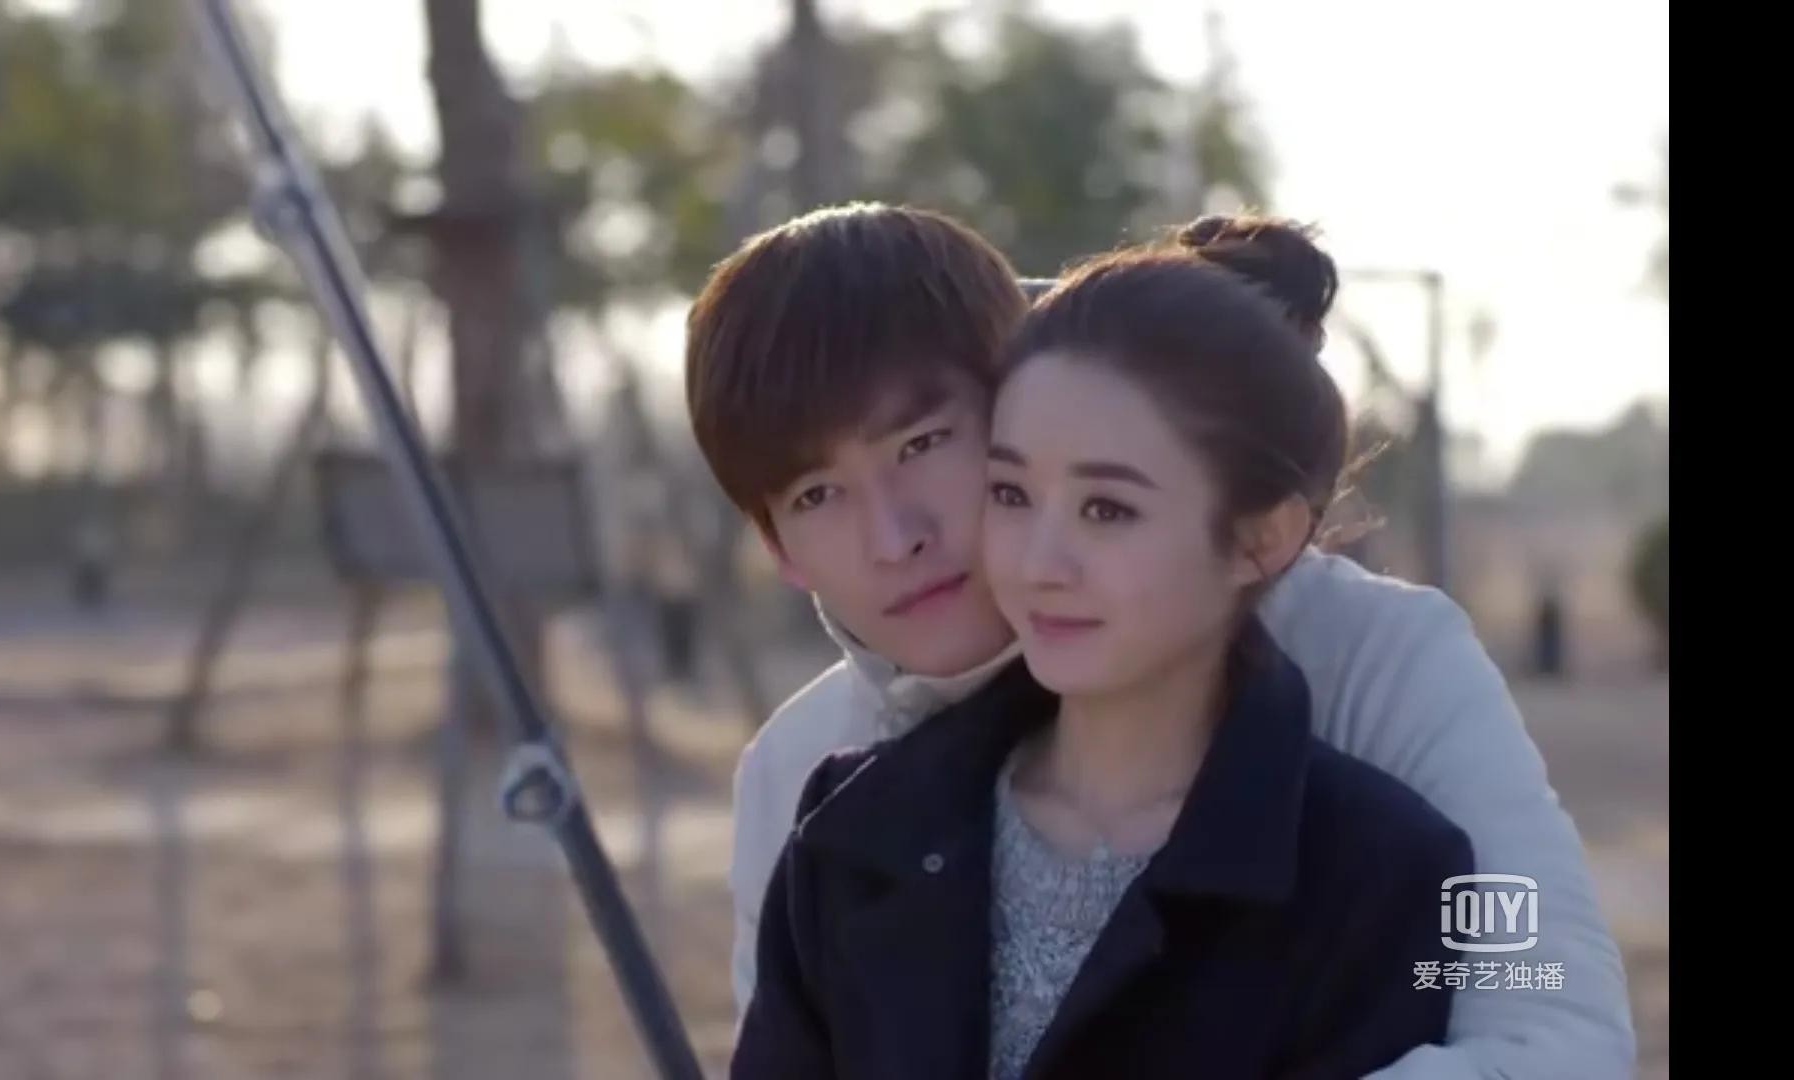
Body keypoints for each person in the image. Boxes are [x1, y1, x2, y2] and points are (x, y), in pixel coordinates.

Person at [684, 204, 1633, 1077]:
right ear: (775, 546)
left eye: (923, 444)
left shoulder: (1371, 656)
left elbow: (1550, 1022)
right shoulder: (807, 780)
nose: (895, 538)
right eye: (816, 494)